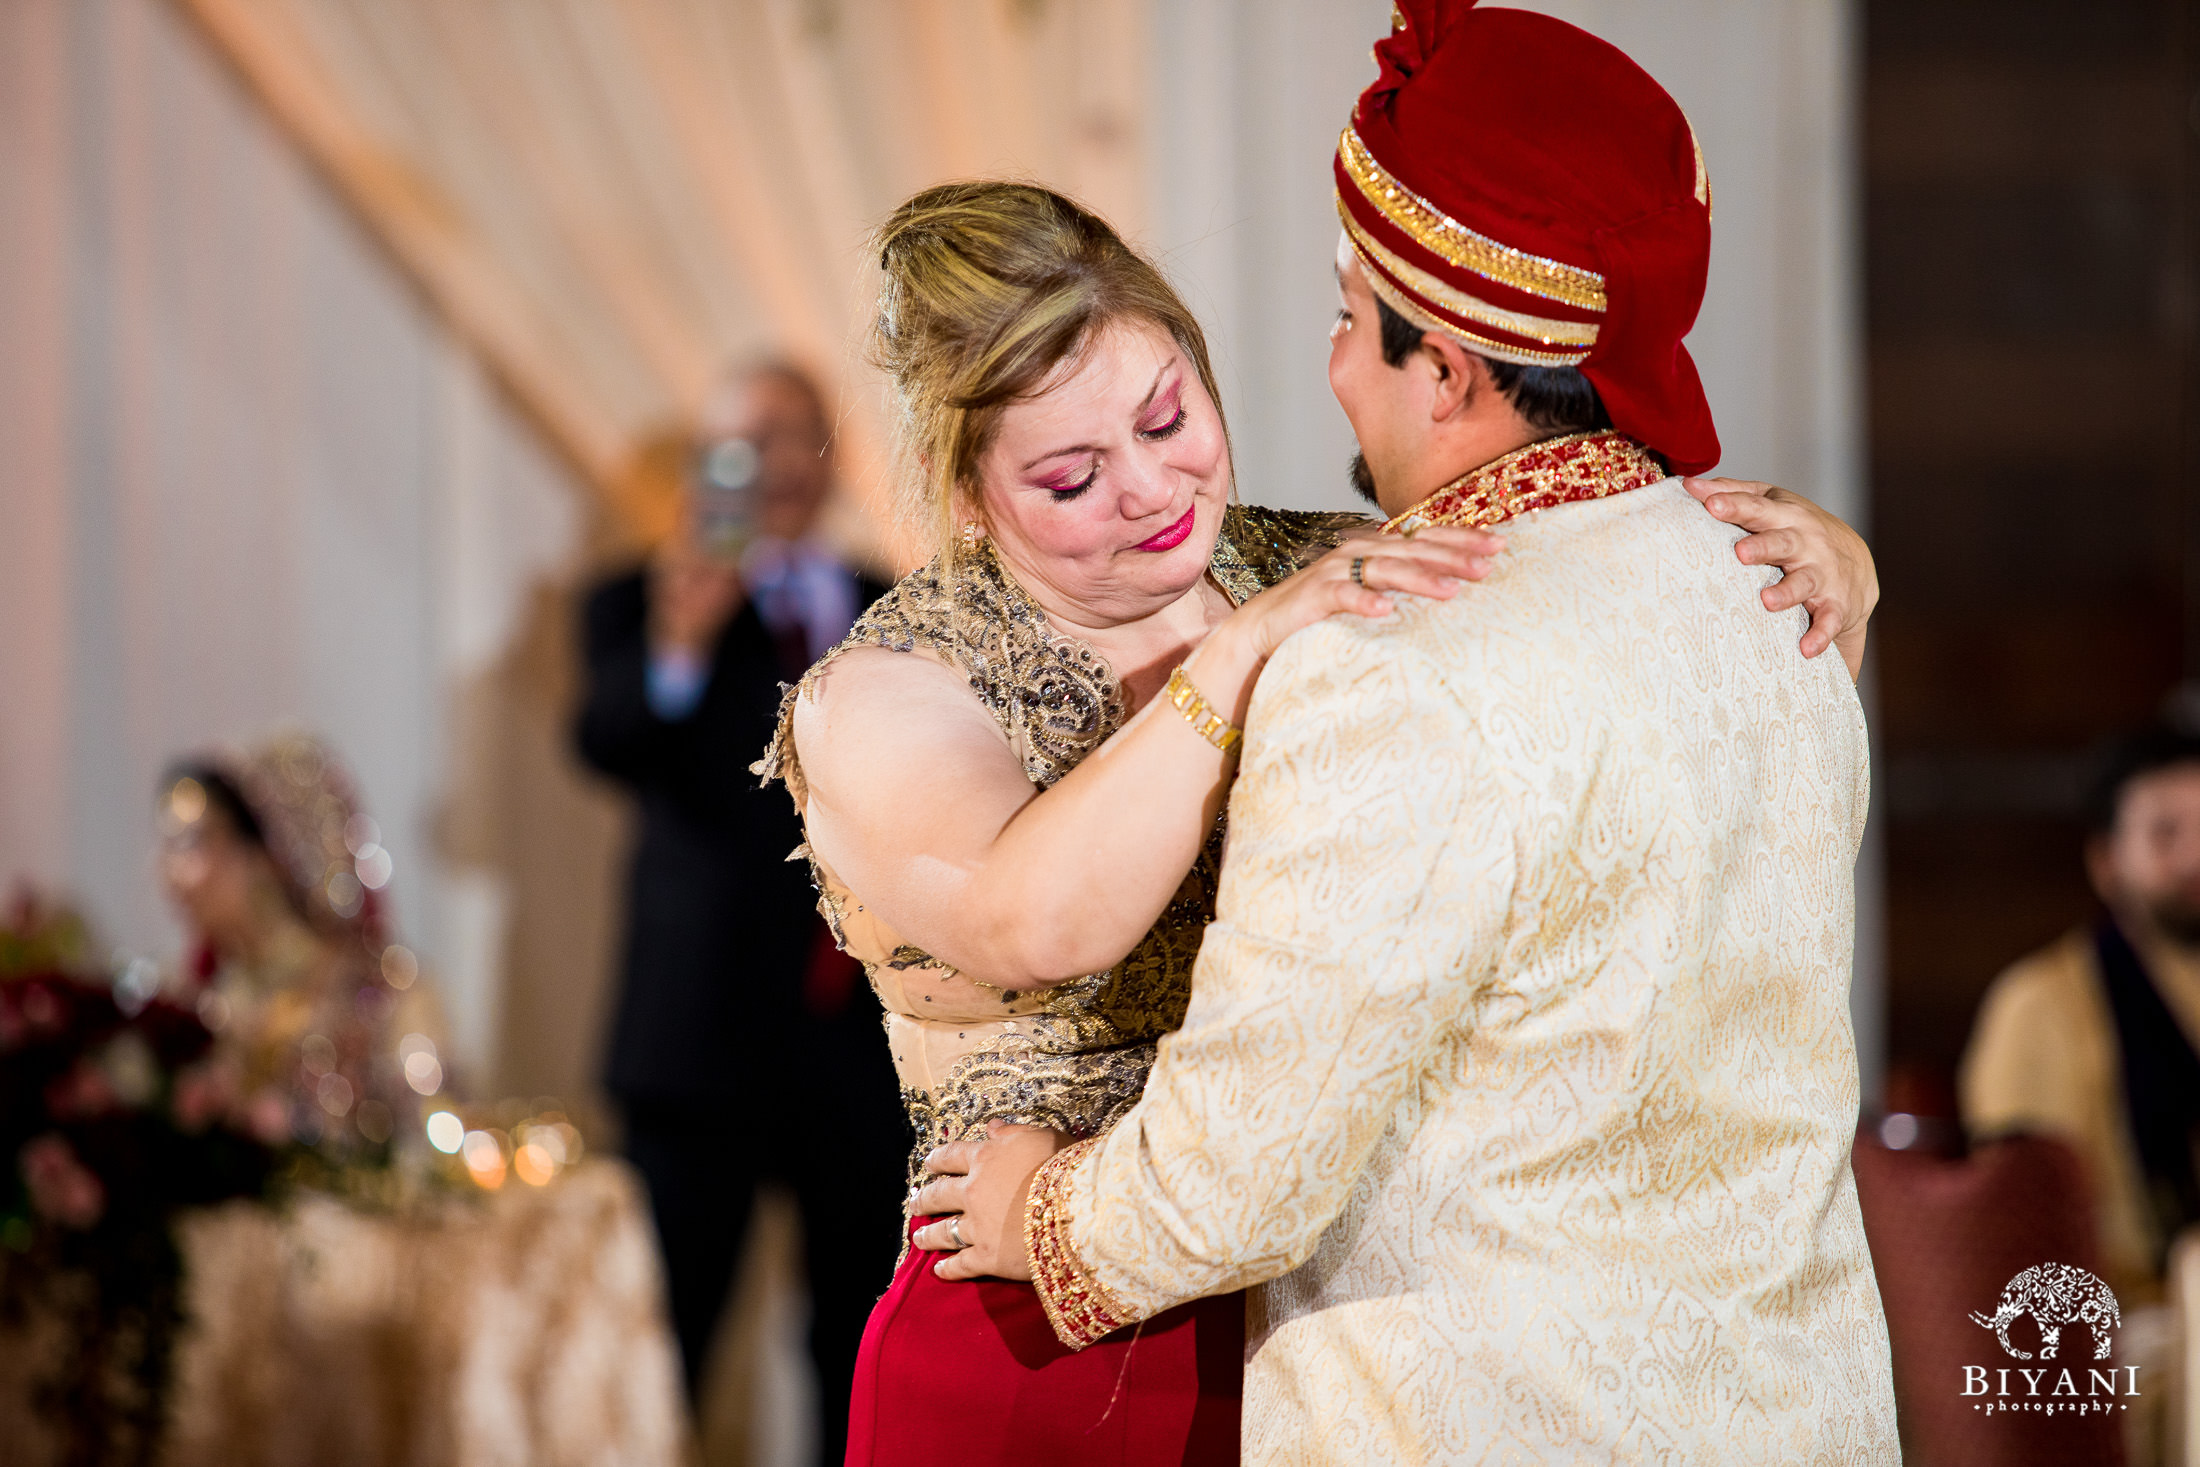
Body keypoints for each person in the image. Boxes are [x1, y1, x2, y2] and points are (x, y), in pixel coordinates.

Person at [765, 164, 1882, 1464]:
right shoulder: (889, 690)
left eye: (1168, 414)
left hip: (1340, 1338)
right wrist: (1236, 658)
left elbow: (1591, 638)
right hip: (1042, 1337)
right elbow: (1036, 917)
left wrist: (1830, 558)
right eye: (1071, 477)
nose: (1148, 486)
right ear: (968, 495)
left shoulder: (1327, 563)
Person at [574, 362, 905, 1461]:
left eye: (791, 438)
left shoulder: (889, 605)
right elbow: (607, 743)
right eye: (741, 444)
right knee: (668, 1338)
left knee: (858, 1340)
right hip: (695, 1037)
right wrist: (680, 637)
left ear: (829, 462)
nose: (767, 466)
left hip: (854, 1041)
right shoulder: (637, 598)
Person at [1961, 723, 2200, 1308]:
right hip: (2125, 1324)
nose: (2197, 857)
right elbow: (2024, 1222)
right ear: (2106, 862)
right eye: (2166, 834)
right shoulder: (2039, 1004)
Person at [159, 730, 440, 1175]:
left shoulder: (379, 997)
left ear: (267, 854)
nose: (168, 875)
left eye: (192, 844)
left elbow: (439, 1157)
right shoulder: (194, 1006)